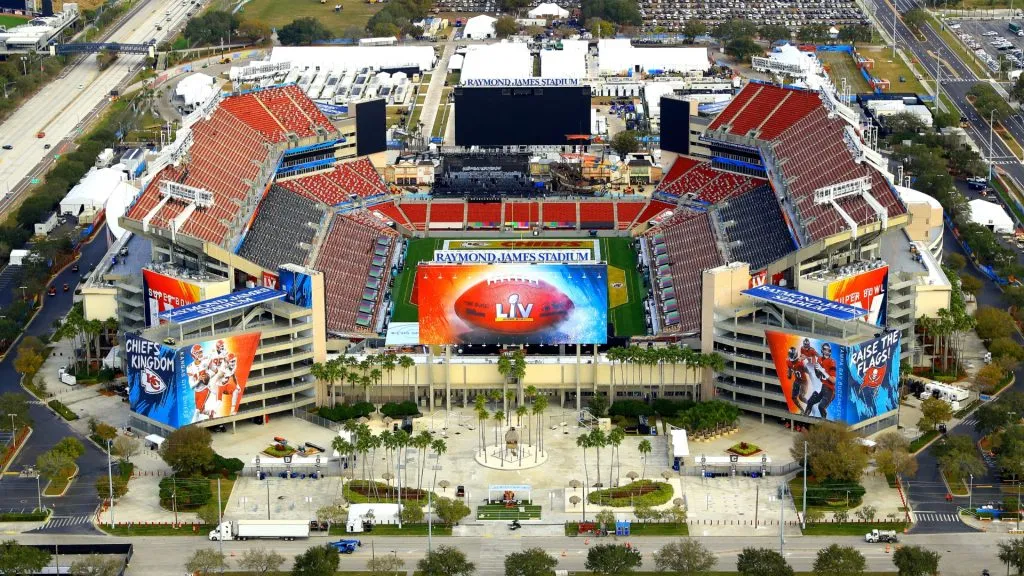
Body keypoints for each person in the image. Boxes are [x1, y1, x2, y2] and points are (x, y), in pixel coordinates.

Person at [804, 342, 837, 418]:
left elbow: (833, 380)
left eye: (828, 350)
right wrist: (817, 370)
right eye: (825, 350)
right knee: (810, 402)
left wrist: (822, 370)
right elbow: (818, 376)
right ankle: (804, 419)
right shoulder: (819, 359)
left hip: (830, 389)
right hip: (821, 387)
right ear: (822, 350)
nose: (827, 352)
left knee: (821, 407)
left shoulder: (832, 361)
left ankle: (824, 422)